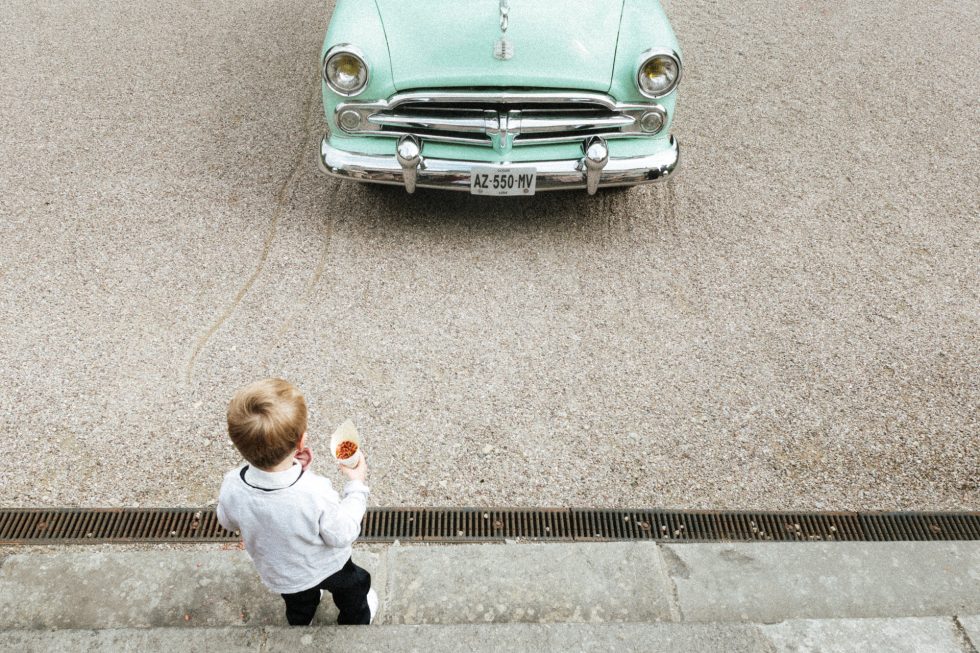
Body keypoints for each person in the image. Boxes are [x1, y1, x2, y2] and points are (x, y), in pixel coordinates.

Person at [216, 378, 377, 626]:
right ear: (302, 441)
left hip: (282, 573)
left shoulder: (232, 485)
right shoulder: (314, 490)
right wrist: (356, 486)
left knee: (298, 602)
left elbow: (226, 521)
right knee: (354, 587)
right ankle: (355, 621)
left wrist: (294, 470)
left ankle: (301, 622)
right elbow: (341, 534)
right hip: (328, 566)